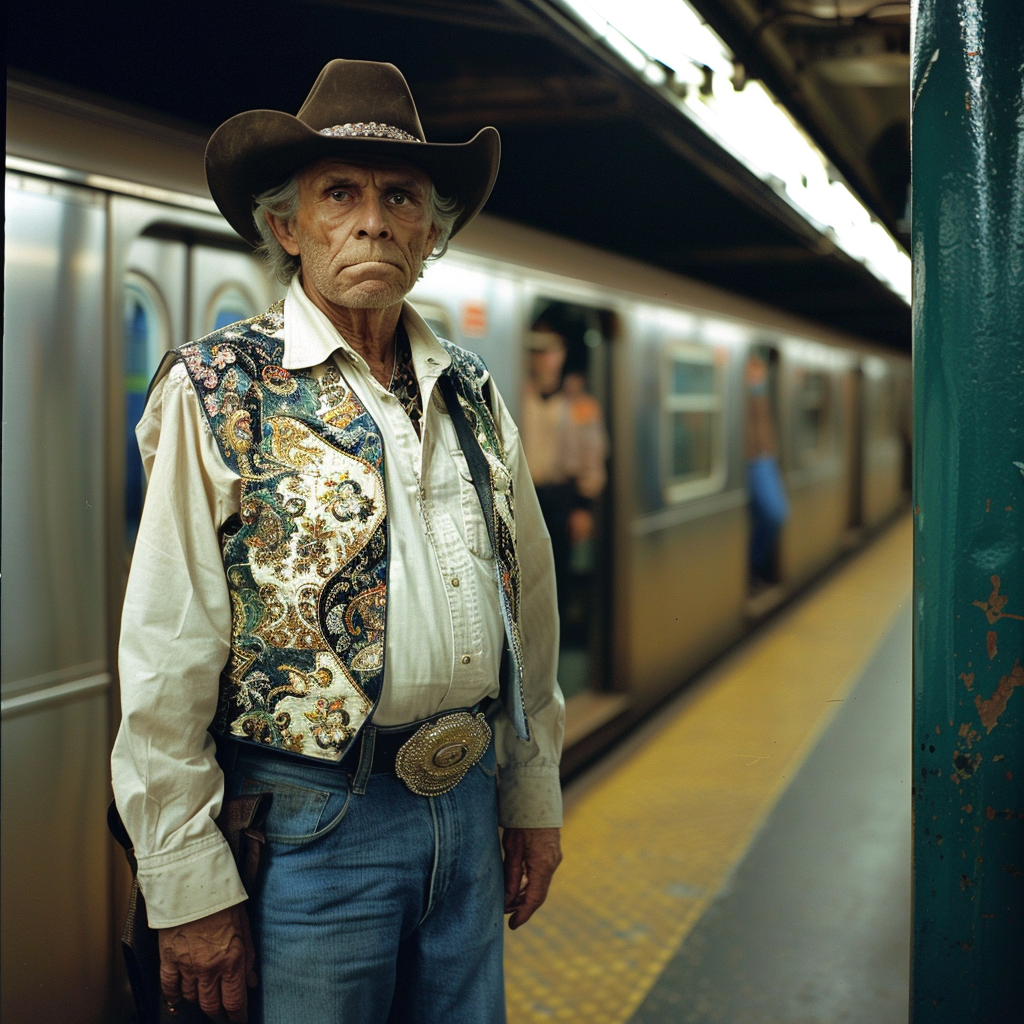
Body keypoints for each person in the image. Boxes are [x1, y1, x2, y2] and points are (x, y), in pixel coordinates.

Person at [111, 59, 564, 1024]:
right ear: (287, 226)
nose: (373, 220)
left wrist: (532, 793)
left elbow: (531, 616)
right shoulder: (219, 387)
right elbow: (166, 649)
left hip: (469, 800)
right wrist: (185, 881)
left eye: (401, 197)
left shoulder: (474, 392)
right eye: (340, 194)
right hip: (311, 823)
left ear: (432, 233)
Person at [519, 326, 607, 620]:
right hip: (524, 496)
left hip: (562, 497)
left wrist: (584, 506)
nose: (545, 358)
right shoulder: (517, 395)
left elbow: (593, 458)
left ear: (562, 354)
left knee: (559, 577)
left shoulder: (580, 405)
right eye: (537, 350)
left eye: (551, 350)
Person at [745, 353, 788, 585]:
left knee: (776, 515)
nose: (756, 374)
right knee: (773, 514)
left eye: (759, 369)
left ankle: (756, 565)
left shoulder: (761, 393)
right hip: (752, 460)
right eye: (752, 369)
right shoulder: (742, 393)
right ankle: (753, 568)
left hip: (764, 459)